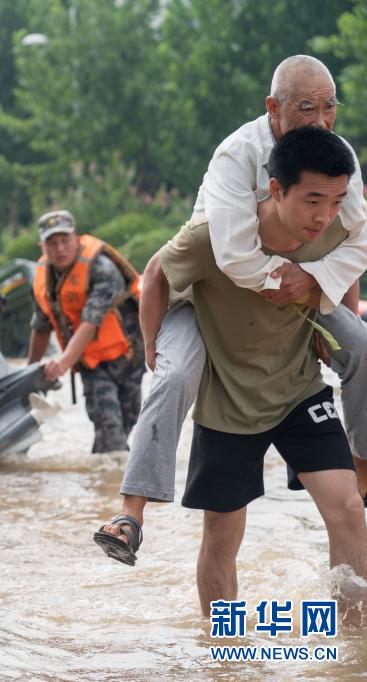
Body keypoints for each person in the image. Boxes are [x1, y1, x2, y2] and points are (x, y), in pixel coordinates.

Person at [95, 55, 367, 566]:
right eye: (305, 107)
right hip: (211, 289)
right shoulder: (236, 157)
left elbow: (352, 244)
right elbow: (223, 256)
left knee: (362, 345)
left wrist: (322, 296)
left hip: (298, 287)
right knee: (174, 379)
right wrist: (152, 345)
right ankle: (132, 512)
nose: (320, 120)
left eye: (329, 107)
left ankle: (362, 466)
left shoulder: (333, 163)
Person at [157, 127, 367, 616]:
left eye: (337, 201)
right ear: (276, 189)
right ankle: (222, 645)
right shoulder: (214, 236)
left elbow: (349, 276)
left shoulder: (337, 236)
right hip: (229, 402)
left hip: (299, 392)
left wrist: (331, 314)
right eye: (314, 200)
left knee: (350, 510)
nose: (325, 216)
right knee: (223, 534)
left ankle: (354, 639)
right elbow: (155, 276)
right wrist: (154, 347)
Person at [27, 210, 145, 453]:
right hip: (93, 365)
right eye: (52, 243)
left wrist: (62, 363)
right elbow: (41, 328)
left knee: (127, 422)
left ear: (76, 239)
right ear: (42, 246)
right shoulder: (41, 279)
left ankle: (104, 477)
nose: (60, 249)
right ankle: (112, 483)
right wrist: (29, 376)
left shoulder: (102, 268)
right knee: (109, 427)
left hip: (129, 356)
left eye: (65, 241)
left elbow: (90, 322)